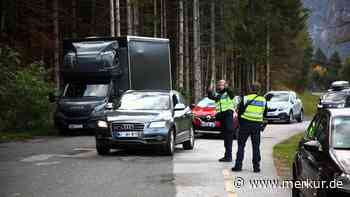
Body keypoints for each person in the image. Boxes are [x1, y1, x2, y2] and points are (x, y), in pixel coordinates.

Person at [232, 82, 267, 172]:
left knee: (241, 145)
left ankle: (238, 166)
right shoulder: (263, 100)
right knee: (256, 146)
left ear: (251, 89)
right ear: (259, 90)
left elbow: (239, 112)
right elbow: (265, 114)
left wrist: (240, 123)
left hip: (245, 124)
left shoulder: (245, 98)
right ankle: (256, 167)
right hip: (257, 125)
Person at [208, 80, 236, 162]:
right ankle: (227, 156)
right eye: (219, 84)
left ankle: (229, 156)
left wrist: (226, 87)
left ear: (226, 85)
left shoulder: (228, 92)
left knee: (228, 135)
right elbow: (212, 97)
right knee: (225, 137)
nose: (220, 86)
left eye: (222, 84)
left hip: (228, 114)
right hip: (221, 116)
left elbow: (232, 95)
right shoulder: (218, 94)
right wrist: (209, 91)